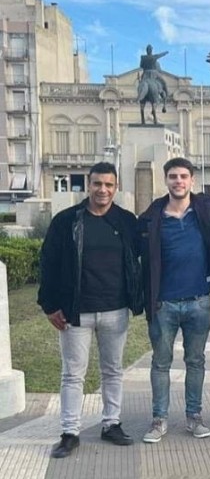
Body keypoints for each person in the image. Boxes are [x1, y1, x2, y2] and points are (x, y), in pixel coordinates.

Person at [38, 162, 142, 459]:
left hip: (116, 310)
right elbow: (48, 263)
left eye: (109, 185)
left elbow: (136, 259)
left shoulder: (125, 221)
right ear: (89, 184)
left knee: (113, 371)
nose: (103, 190)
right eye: (97, 184)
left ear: (116, 187)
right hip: (76, 312)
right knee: (73, 374)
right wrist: (49, 305)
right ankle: (70, 432)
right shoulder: (67, 220)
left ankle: (111, 424)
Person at [139, 158, 210, 443]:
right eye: (173, 176)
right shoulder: (152, 217)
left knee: (196, 361)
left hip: (198, 302)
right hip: (164, 304)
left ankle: (194, 417)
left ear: (192, 180)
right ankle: (159, 419)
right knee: (161, 363)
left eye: (183, 176)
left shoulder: (206, 209)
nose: (178, 181)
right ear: (166, 180)